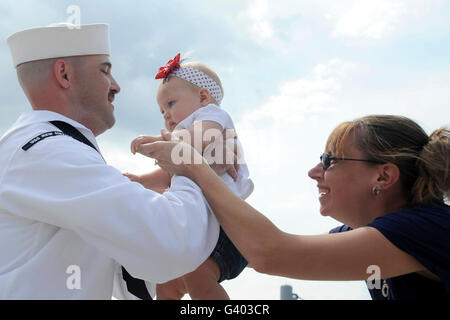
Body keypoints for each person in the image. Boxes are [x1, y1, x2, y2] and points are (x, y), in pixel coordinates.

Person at [0, 23, 233, 299]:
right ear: (64, 74)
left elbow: (122, 271)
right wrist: (195, 166)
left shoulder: (48, 147)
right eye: (105, 70)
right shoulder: (46, 149)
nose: (117, 86)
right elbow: (172, 241)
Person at [136, 114, 450, 300]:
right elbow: (255, 252)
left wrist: (194, 166)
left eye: (329, 161)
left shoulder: (424, 228)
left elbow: (272, 253)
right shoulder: (396, 231)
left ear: (383, 176)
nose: (314, 172)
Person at [126, 54, 254, 299]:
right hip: (199, 226)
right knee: (165, 285)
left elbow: (200, 140)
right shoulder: (180, 137)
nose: (165, 114)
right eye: (162, 110)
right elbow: (167, 176)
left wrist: (160, 142)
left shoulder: (212, 116)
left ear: (203, 98)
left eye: (171, 103)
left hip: (226, 227)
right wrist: (141, 181)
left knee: (199, 279)